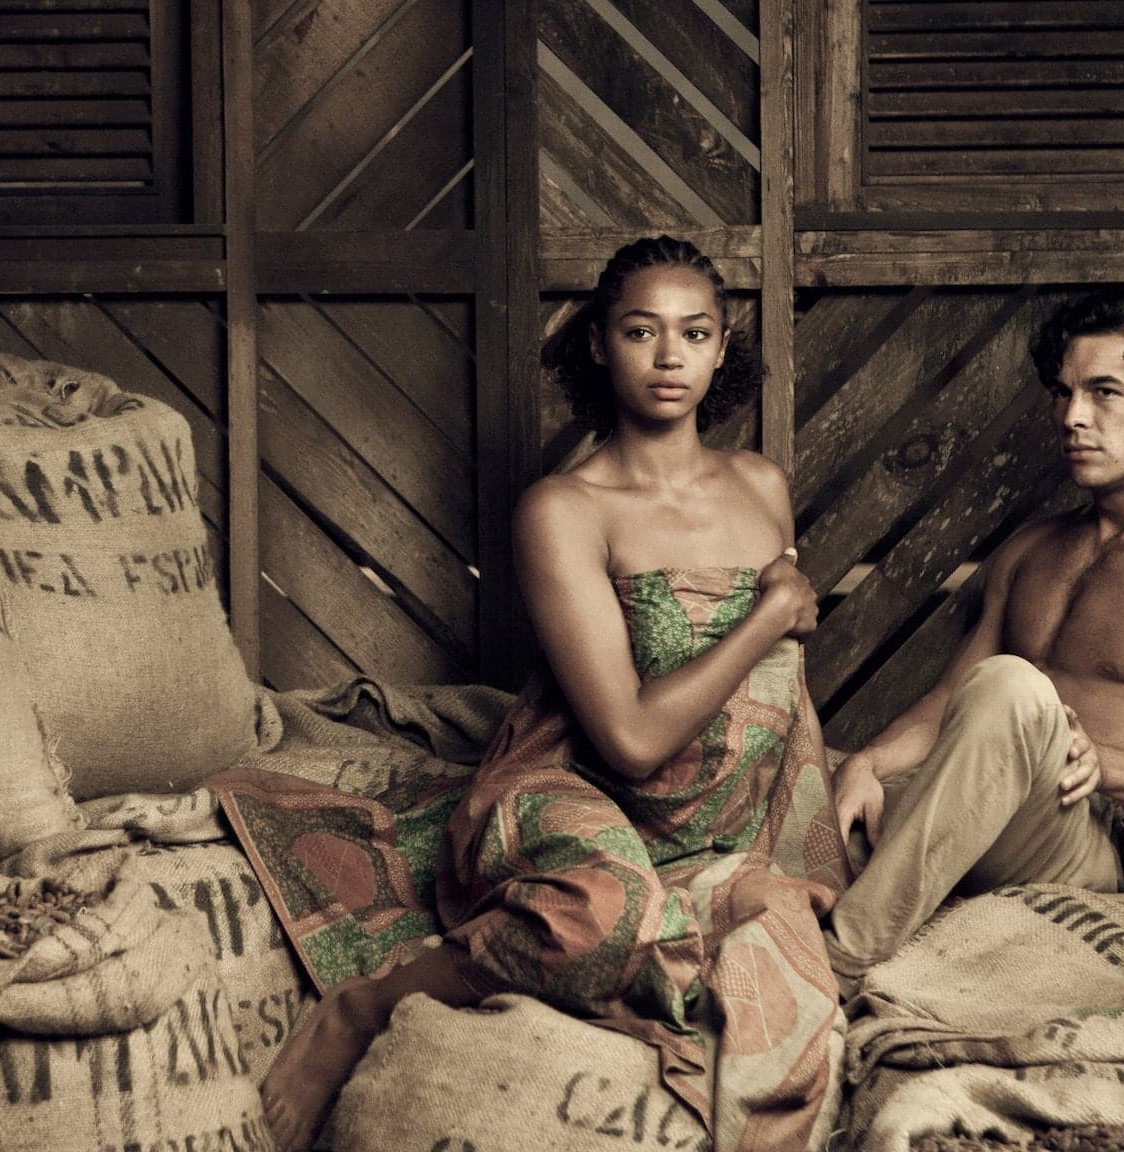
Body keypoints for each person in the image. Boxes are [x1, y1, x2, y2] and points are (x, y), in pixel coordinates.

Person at [253, 235, 839, 1150]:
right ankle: (367, 1008)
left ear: (724, 349)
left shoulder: (762, 484)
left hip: (724, 811)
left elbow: (780, 697)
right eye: (642, 331)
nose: (670, 355)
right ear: (600, 344)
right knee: (598, 922)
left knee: (794, 943)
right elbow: (632, 741)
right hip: (587, 783)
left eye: (695, 332)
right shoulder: (565, 508)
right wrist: (768, 618)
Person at [821, 288, 1124, 990]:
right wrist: (866, 765)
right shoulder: (1034, 549)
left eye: (1104, 392)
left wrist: (1116, 767)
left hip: (1083, 837)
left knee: (1011, 687)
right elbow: (947, 704)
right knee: (792, 762)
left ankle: (837, 962)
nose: (1072, 417)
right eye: (1062, 393)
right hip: (977, 800)